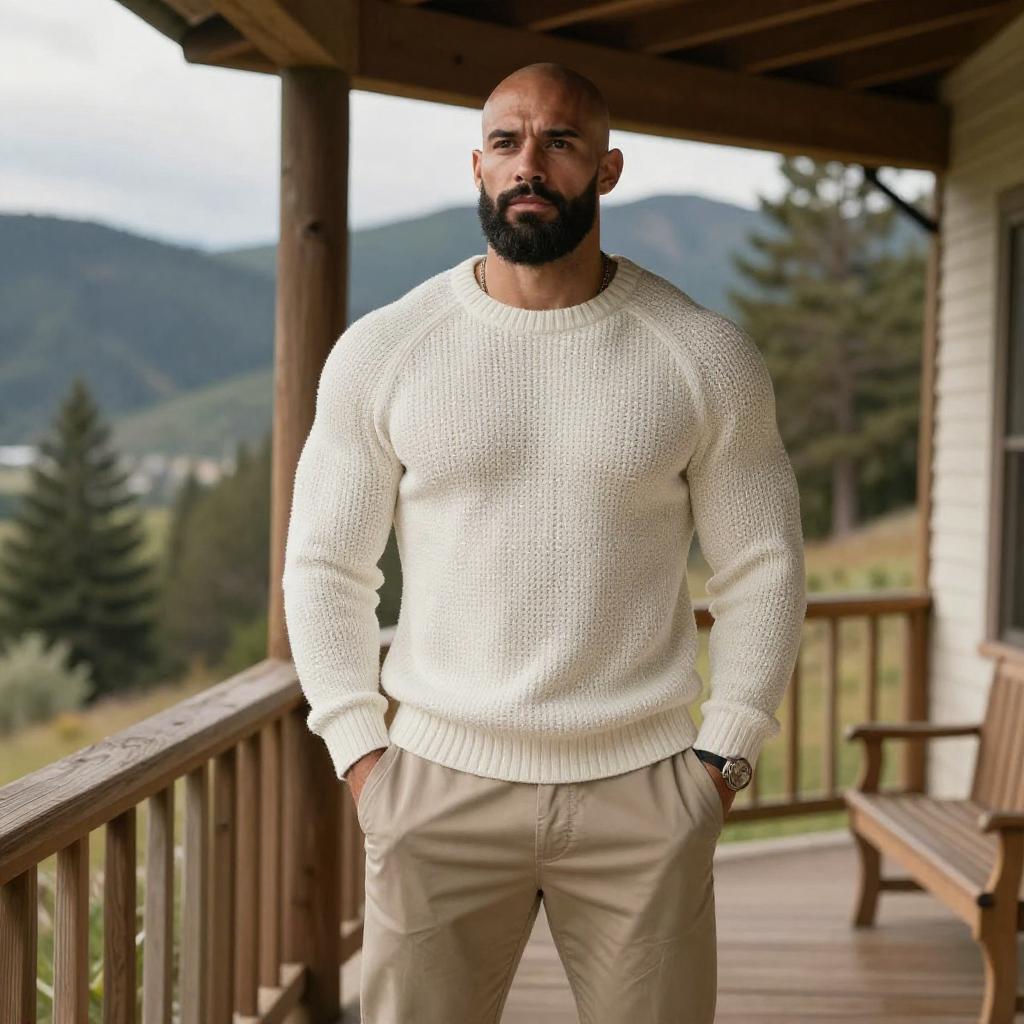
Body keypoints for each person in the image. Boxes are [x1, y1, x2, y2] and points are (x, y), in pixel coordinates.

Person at [282, 60, 807, 1024]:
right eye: (506, 142)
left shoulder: (702, 355)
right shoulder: (384, 351)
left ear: (606, 170)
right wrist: (363, 755)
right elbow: (323, 566)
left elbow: (763, 569)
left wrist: (724, 759)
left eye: (559, 142)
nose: (530, 164)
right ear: (477, 165)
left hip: (643, 792)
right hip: (433, 787)